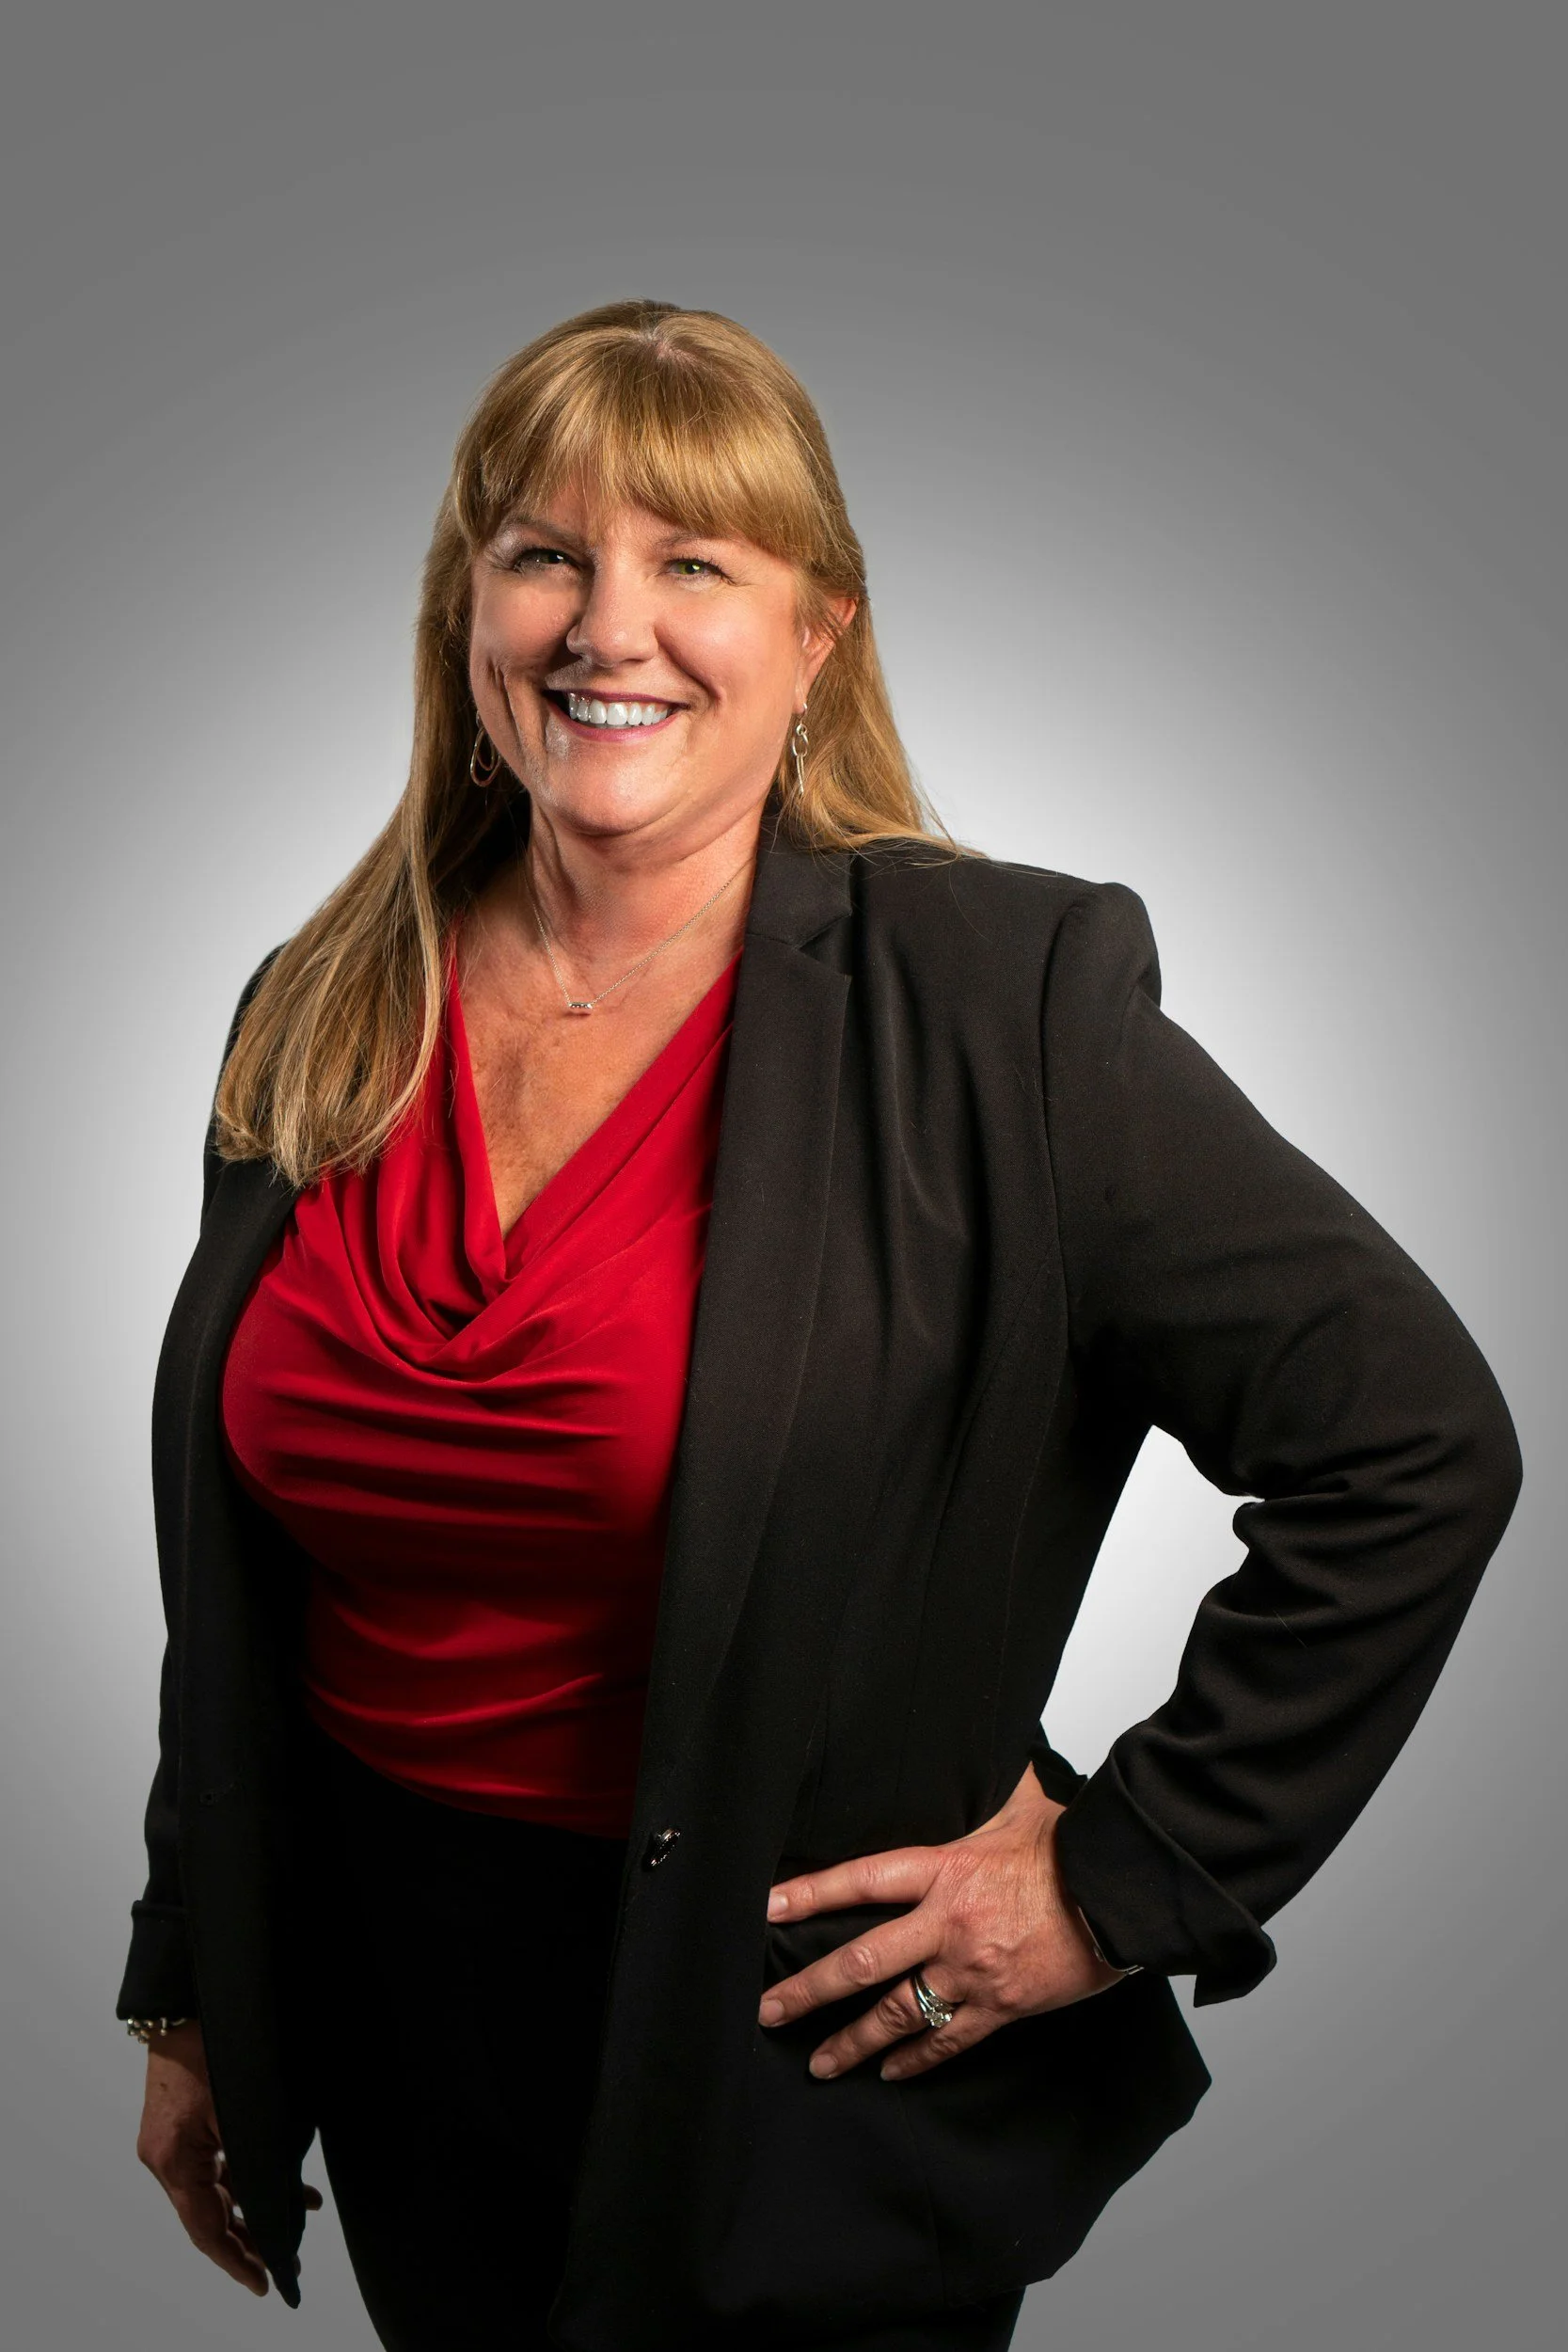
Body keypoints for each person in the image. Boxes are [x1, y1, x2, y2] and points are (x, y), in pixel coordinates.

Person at [118, 300, 1522, 2352]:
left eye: (694, 563)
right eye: (545, 556)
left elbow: (1411, 1437)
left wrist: (1121, 1874)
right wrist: (193, 1974)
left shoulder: (995, 1003)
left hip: (782, 2063)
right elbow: (245, 1578)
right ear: (466, 611)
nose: (611, 626)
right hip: (390, 2021)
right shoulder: (322, 1002)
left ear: (815, 636)